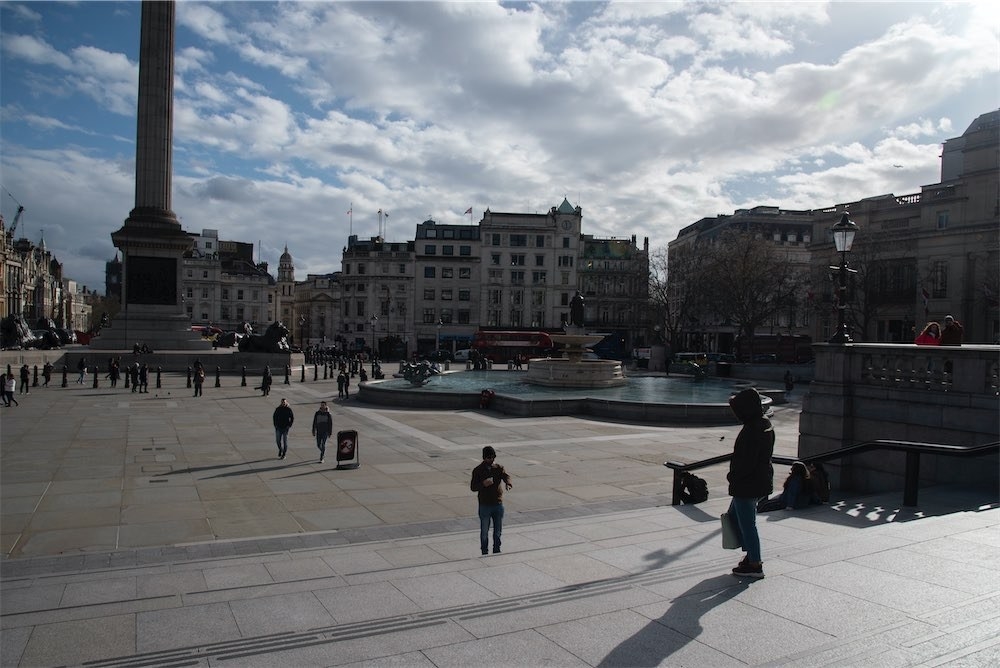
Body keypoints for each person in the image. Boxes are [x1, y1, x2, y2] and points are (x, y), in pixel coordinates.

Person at [726, 387, 775, 579]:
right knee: (735, 517)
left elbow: (746, 461)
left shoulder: (752, 429)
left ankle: (755, 563)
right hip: (758, 481)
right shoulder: (764, 423)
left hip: (747, 483)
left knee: (747, 524)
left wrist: (733, 477)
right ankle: (750, 555)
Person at [470, 445, 513, 555]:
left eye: (493, 457)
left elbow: (506, 476)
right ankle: (484, 550)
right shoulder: (478, 470)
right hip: (485, 505)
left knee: (498, 530)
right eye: (489, 457)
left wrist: (508, 483)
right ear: (484, 458)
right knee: (484, 531)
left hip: (497, 503)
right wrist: (483, 484)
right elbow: (473, 487)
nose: (491, 460)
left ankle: (496, 549)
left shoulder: (498, 468)